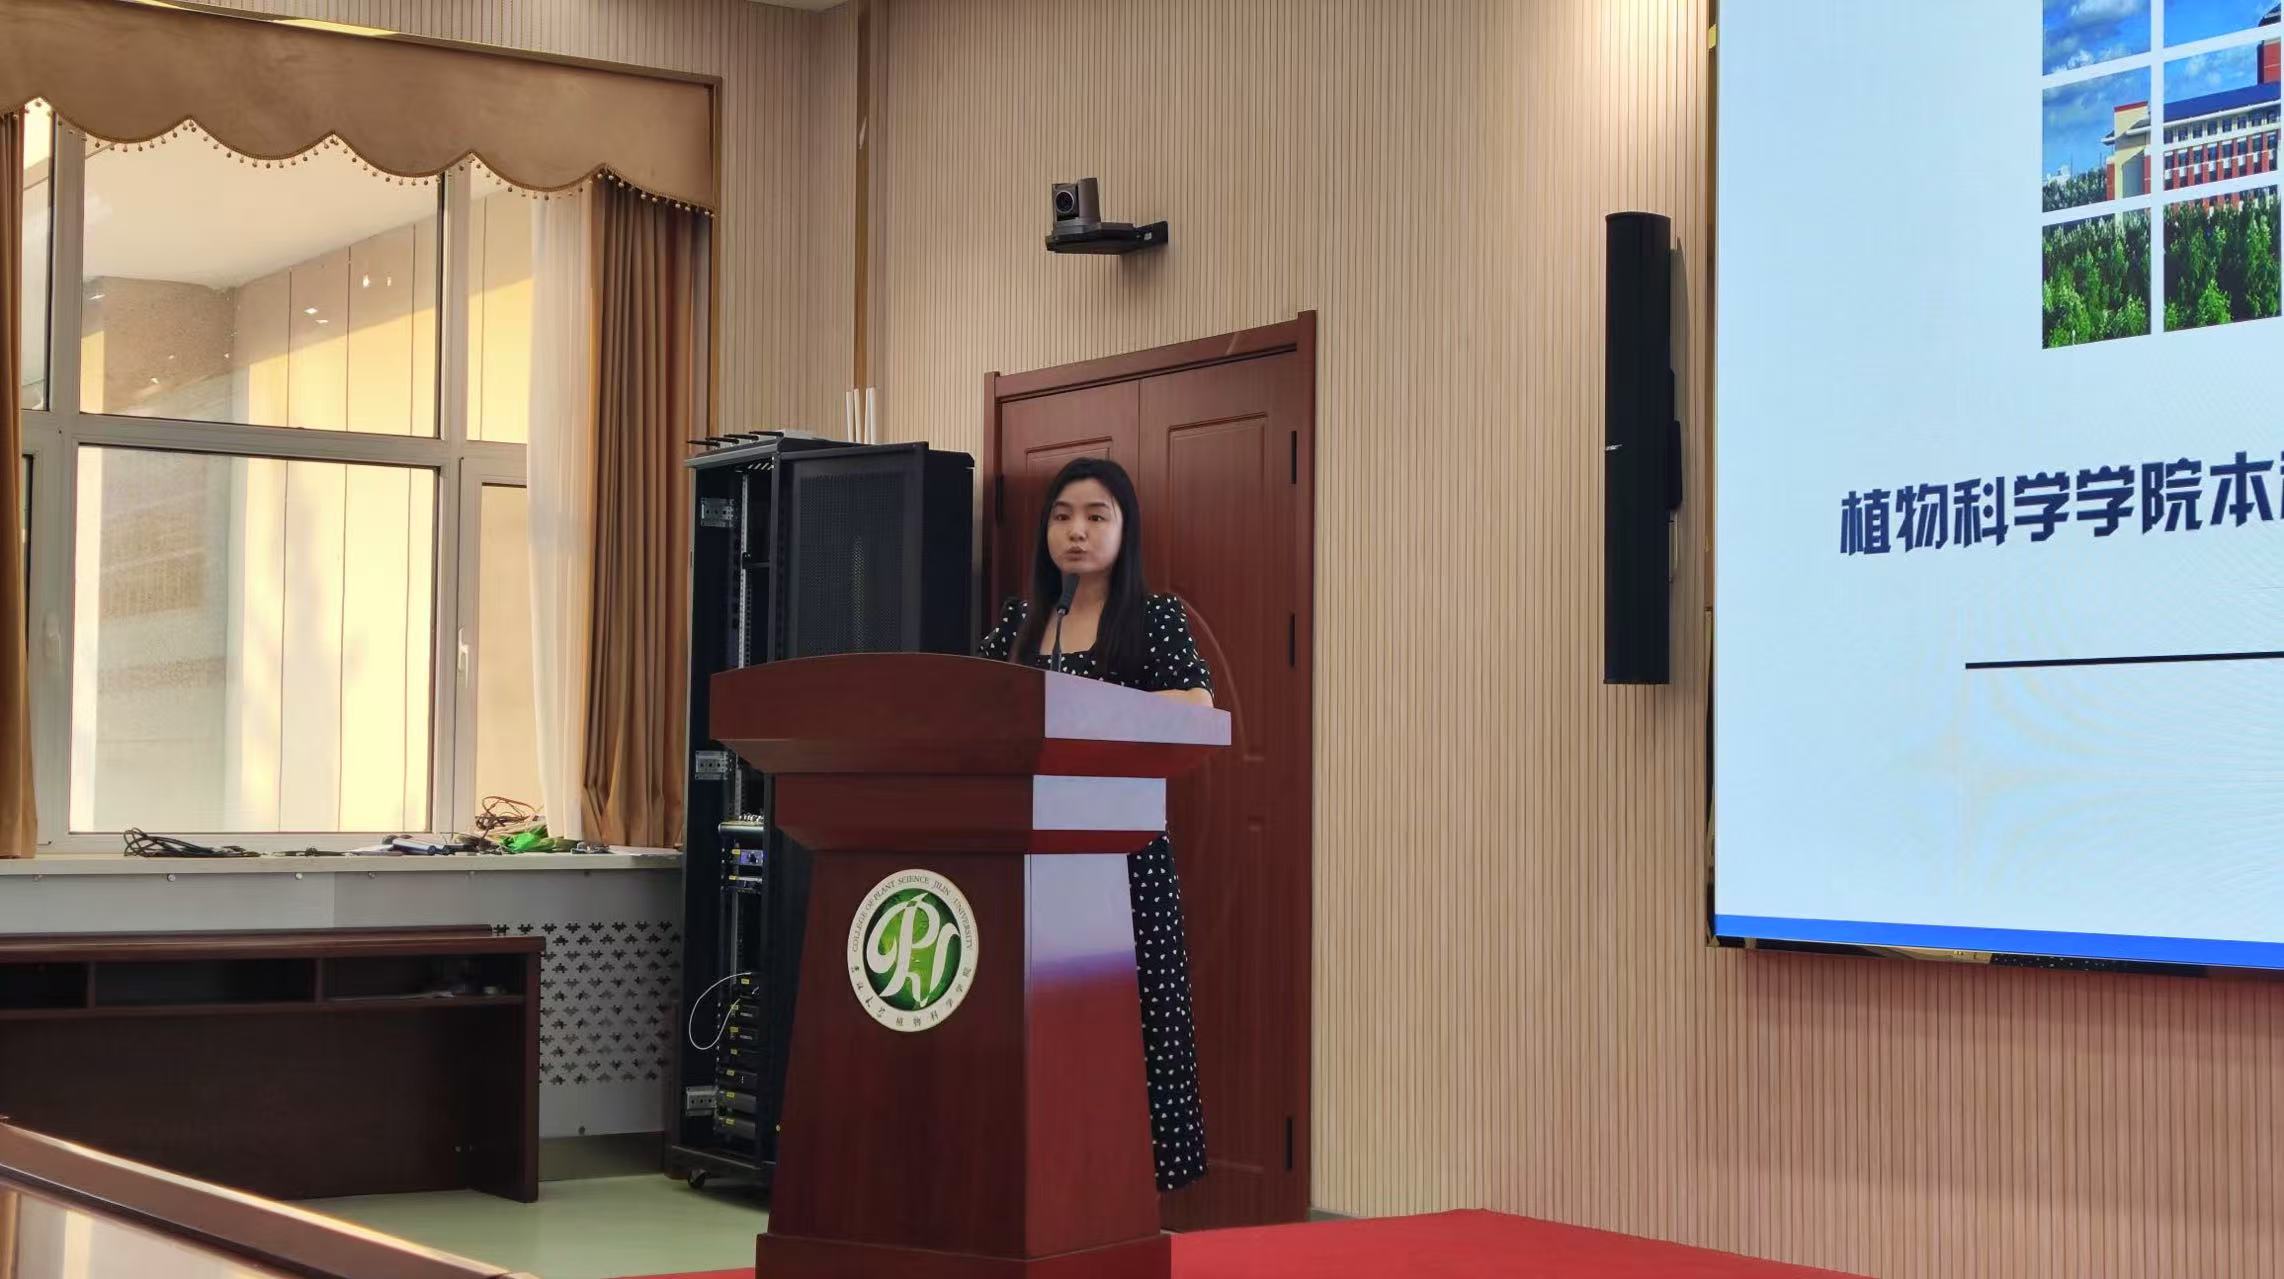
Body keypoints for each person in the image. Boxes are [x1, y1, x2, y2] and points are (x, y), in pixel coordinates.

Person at [977, 456, 1212, 1193]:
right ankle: (1037, 1187)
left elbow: (1196, 709)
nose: (1076, 531)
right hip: (1025, 861)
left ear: (1124, 529)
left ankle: (1124, 1193)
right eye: (1061, 516)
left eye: (1095, 515)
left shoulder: (1154, 617)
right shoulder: (1020, 624)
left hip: (1122, 862)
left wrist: (1079, 710)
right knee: (1032, 1025)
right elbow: (969, 710)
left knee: (1126, 1024)